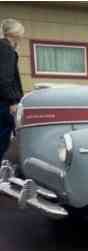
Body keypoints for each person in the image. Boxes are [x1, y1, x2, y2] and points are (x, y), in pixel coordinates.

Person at [0, 19, 24, 161]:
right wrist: (13, 101)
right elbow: (5, 78)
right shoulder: (7, 50)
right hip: (4, 103)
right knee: (3, 140)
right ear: (15, 33)